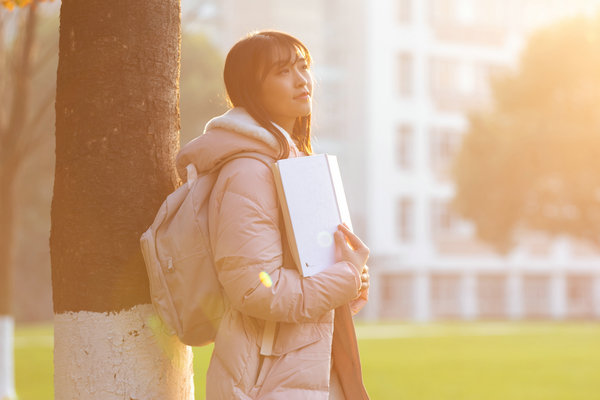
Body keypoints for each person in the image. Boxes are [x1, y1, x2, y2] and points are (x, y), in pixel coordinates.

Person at [176, 30, 371, 400]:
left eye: (304, 67)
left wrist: (351, 275)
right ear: (251, 88)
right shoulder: (249, 173)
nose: (302, 79)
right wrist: (344, 277)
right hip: (266, 380)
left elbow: (308, 271)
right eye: (283, 71)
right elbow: (256, 289)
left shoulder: (293, 164)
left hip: (304, 369)